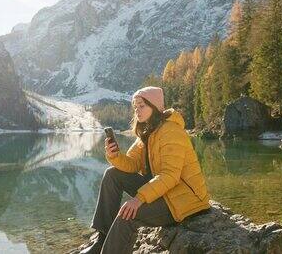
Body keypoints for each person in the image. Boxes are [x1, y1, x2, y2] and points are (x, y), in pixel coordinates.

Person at [80, 86, 211, 254]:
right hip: (164, 190)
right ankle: (102, 239)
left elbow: (170, 176)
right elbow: (132, 164)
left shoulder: (171, 131)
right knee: (112, 174)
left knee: (127, 215)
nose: (137, 111)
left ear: (154, 107)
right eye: (135, 107)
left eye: (142, 106)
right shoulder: (148, 131)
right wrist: (114, 156)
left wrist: (139, 199)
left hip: (184, 198)